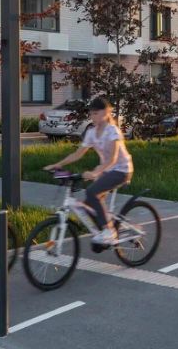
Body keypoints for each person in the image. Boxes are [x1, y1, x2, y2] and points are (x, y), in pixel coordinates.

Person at [44, 97, 133, 245]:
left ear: (106, 112)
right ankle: (105, 230)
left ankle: (109, 231)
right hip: (107, 170)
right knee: (87, 205)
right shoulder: (91, 132)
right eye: (91, 114)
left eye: (96, 113)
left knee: (91, 192)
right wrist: (57, 165)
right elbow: (77, 154)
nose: (92, 117)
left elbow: (112, 159)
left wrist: (95, 172)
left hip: (122, 170)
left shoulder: (112, 131)